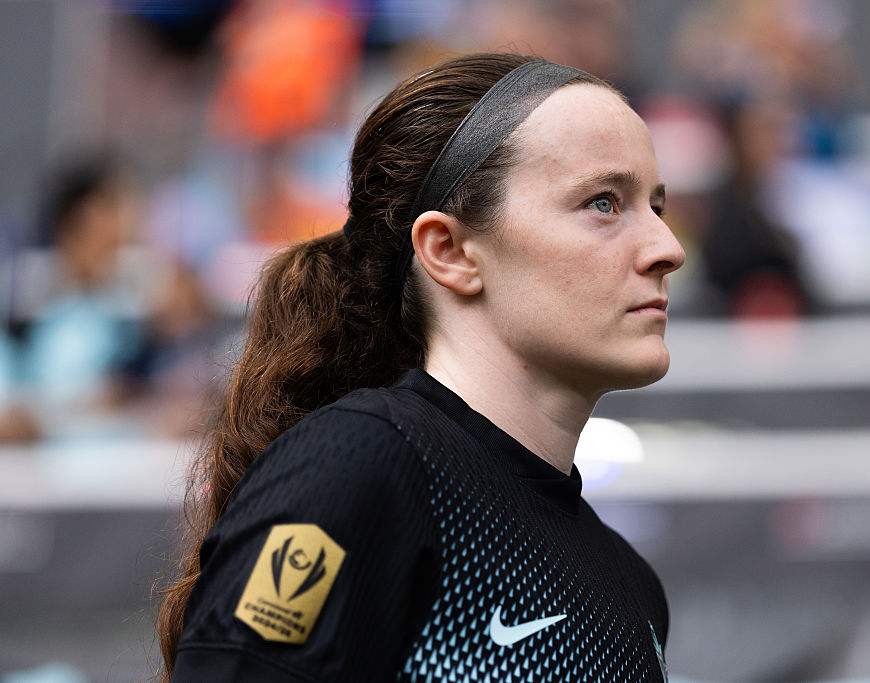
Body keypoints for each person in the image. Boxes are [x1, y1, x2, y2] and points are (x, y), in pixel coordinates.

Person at [157, 52, 683, 682]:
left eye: (656, 208)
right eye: (603, 203)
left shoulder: (632, 582)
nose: (667, 248)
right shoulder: (361, 462)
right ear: (451, 251)